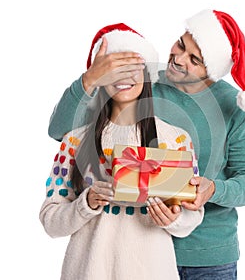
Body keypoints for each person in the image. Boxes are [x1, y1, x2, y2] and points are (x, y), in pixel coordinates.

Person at [47, 10, 245, 280]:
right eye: (181, 44)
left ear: (212, 70)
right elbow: (63, 131)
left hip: (205, 255)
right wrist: (89, 79)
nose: (178, 58)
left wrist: (213, 189)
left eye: (194, 59)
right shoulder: (139, 82)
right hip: (139, 252)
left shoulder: (234, 106)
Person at [40, 23, 204, 280]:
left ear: (147, 73)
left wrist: (173, 219)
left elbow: (191, 216)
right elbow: (50, 220)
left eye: (133, 67)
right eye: (114, 68)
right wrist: (86, 203)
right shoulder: (74, 141)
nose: (124, 77)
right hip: (88, 271)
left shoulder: (177, 139)